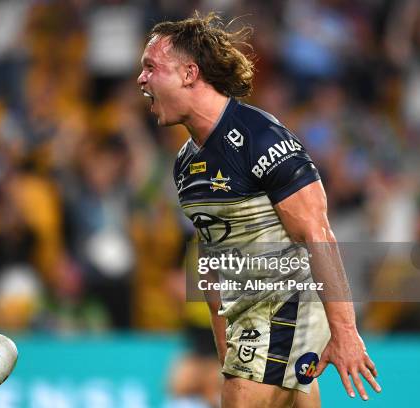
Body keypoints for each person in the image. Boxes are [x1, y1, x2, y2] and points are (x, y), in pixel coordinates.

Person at [137, 13, 381, 408]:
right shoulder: (185, 164)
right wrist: (223, 347)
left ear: (189, 74)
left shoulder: (261, 138)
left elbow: (317, 234)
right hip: (249, 325)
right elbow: (211, 260)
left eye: (151, 67)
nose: (141, 79)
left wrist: (346, 332)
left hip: (284, 313)